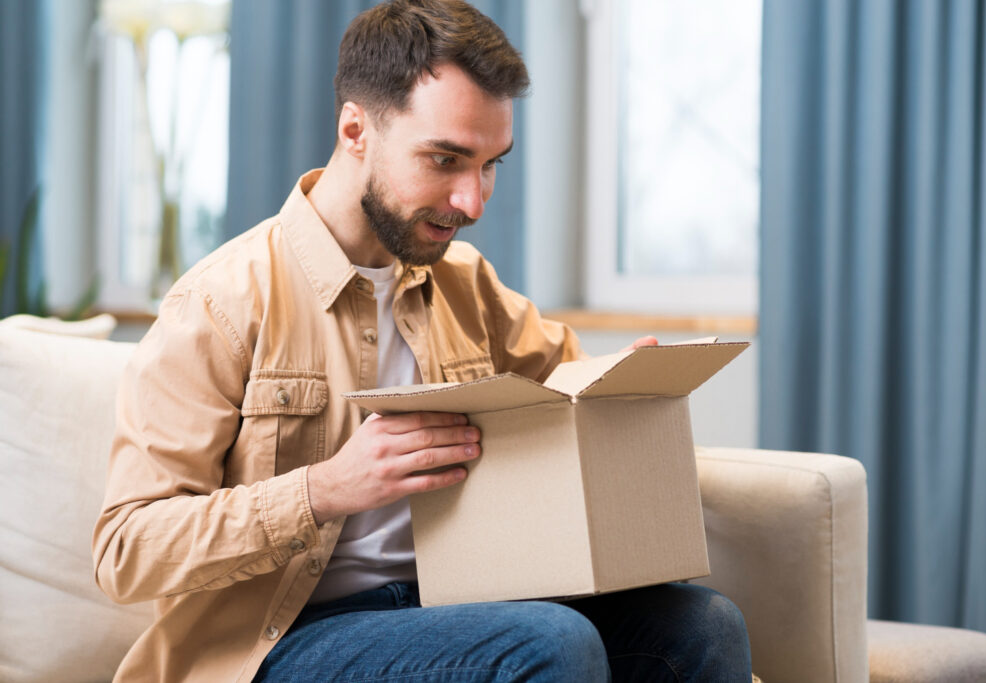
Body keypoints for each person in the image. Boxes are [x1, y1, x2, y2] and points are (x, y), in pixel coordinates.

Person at [92, 1, 752, 680]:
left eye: (491, 163)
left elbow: (567, 384)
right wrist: (325, 487)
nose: (473, 200)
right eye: (445, 159)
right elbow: (125, 549)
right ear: (356, 129)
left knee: (702, 626)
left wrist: (618, 388)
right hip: (281, 640)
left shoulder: (469, 285)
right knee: (551, 641)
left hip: (455, 606)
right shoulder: (220, 302)